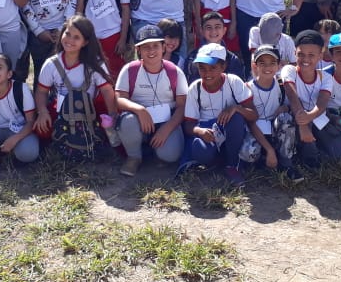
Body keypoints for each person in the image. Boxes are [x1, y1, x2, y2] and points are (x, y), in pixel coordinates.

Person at [34, 15, 119, 162]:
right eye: (67, 34)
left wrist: (112, 114)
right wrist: (42, 112)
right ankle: (57, 145)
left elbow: (107, 90)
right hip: (62, 110)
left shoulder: (95, 63)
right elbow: (41, 91)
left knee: (111, 124)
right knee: (40, 128)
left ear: (85, 42)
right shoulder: (51, 63)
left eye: (76, 37)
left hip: (90, 110)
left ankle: (100, 144)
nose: (70, 40)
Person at [115, 26, 189, 176]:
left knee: (170, 155)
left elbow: (182, 106)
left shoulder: (175, 71)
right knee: (128, 122)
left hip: (166, 119)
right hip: (138, 119)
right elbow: (119, 99)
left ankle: (155, 151)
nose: (151, 50)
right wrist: (139, 110)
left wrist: (167, 128)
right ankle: (134, 157)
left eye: (156, 45)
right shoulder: (130, 69)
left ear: (163, 47)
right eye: (146, 47)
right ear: (138, 50)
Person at [181, 43, 257, 187]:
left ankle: (232, 165)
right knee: (200, 151)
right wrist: (199, 131)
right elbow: (188, 125)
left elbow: (253, 115)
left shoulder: (233, 82)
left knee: (236, 118)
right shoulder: (195, 88)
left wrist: (236, 108)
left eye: (213, 68)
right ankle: (218, 161)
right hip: (208, 132)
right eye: (202, 68)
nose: (207, 73)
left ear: (223, 66)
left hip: (230, 130)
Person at [245, 45, 303, 182]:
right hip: (256, 130)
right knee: (248, 153)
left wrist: (285, 108)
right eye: (262, 63)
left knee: (286, 118)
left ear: (278, 65)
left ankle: (286, 163)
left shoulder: (282, 85)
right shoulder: (247, 88)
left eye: (272, 63)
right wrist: (269, 149)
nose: (267, 67)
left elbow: (292, 105)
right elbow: (251, 123)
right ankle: (264, 158)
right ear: (255, 66)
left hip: (275, 129)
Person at [279, 31, 334, 167]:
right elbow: (292, 96)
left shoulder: (326, 77)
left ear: (320, 56)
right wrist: (303, 125)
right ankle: (291, 161)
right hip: (295, 115)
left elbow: (322, 103)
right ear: (295, 53)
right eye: (301, 54)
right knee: (286, 120)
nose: (306, 59)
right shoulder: (289, 70)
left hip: (315, 116)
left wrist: (309, 117)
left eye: (311, 55)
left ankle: (312, 147)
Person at [186, 12, 244, 82]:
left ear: (224, 30)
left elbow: (238, 84)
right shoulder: (192, 58)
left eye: (217, 27)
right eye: (208, 27)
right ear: (202, 30)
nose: (213, 31)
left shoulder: (232, 59)